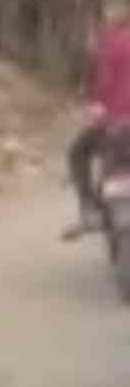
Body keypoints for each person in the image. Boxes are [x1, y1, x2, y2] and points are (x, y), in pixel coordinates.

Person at [64, 14, 130, 240]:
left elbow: (102, 84)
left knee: (77, 153)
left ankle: (88, 209)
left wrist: (97, 106)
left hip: (116, 125)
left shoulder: (112, 43)